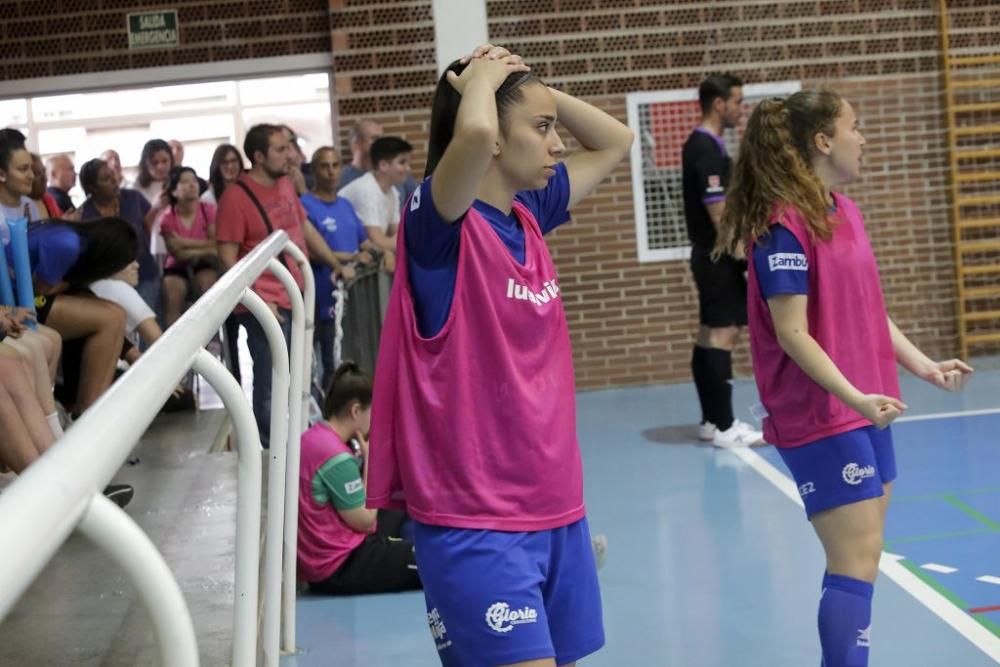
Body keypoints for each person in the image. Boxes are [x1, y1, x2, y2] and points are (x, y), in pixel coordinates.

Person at [367, 45, 632, 667]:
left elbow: (615, 141)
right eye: (541, 130)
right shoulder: (438, 227)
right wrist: (483, 79)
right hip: (475, 522)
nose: (557, 144)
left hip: (558, 508)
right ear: (489, 140)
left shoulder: (529, 213)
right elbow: (481, 128)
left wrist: (531, 90)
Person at [716, 90, 974, 667]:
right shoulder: (781, 226)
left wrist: (923, 365)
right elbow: (792, 332)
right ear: (823, 141)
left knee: (865, 556)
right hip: (823, 412)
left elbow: (867, 308)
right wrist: (854, 396)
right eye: (855, 127)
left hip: (865, 405)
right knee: (853, 560)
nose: (864, 138)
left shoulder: (845, 211)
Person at [216, 124, 352, 448]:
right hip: (268, 304)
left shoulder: (285, 184)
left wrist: (335, 264)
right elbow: (226, 257)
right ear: (259, 156)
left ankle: (301, 443)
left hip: (296, 294)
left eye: (288, 147)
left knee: (299, 375)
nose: (289, 155)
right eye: (280, 149)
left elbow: (301, 226)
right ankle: (269, 451)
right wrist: (258, 300)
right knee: (271, 380)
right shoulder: (236, 197)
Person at [681, 74, 763, 448]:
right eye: (737, 101)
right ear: (719, 104)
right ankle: (727, 427)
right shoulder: (704, 149)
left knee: (708, 334)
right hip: (716, 258)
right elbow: (719, 215)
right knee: (722, 335)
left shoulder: (710, 146)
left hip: (710, 256)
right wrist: (744, 258)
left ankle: (711, 422)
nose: (740, 109)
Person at [298, 361, 421, 595]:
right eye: (372, 411)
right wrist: (371, 459)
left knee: (398, 507)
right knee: (432, 561)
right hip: (339, 565)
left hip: (326, 556)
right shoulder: (336, 457)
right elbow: (365, 521)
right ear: (355, 411)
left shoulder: (314, 437)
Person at [302, 146, 374, 389]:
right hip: (319, 295)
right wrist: (352, 257)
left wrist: (378, 251)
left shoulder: (345, 204)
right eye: (324, 166)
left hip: (349, 299)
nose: (331, 172)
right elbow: (309, 251)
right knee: (318, 365)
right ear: (314, 171)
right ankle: (320, 420)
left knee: (343, 361)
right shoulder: (305, 205)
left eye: (335, 165)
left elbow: (363, 241)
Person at [78, 158, 161, 311]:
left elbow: (149, 225)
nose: (114, 181)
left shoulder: (133, 198)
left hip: (145, 272)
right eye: (106, 179)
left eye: (113, 175)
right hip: (110, 280)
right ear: (92, 187)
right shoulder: (85, 215)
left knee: (149, 321)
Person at [337, 136, 411, 270]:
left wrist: (401, 239)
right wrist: (402, 240)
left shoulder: (393, 191)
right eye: (402, 162)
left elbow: (398, 233)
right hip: (344, 259)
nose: (408, 168)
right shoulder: (367, 190)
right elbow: (376, 241)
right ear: (383, 165)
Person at [159, 166, 218, 328]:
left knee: (208, 288)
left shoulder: (209, 210)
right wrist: (206, 248)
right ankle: (176, 346)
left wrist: (184, 243)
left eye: (194, 180)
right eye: (184, 182)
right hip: (176, 267)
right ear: (173, 191)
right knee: (172, 294)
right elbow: (177, 254)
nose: (192, 185)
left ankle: (208, 342)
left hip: (206, 263)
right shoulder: (167, 218)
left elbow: (217, 244)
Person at [340, 119, 418, 213]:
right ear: (356, 143)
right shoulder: (339, 178)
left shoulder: (399, 175)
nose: (381, 143)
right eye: (374, 138)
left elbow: (418, 212)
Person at [30, 153, 62, 218]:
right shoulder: (19, 206)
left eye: (44, 171)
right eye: (36, 174)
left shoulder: (49, 200)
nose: (44, 178)